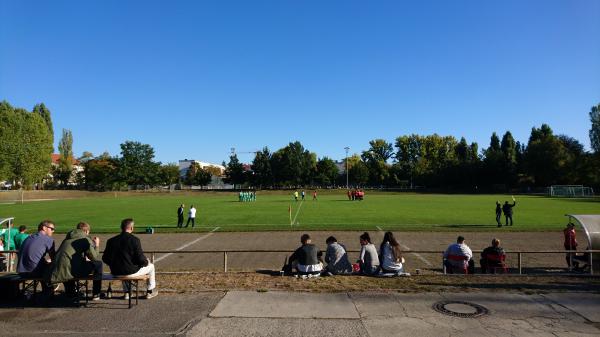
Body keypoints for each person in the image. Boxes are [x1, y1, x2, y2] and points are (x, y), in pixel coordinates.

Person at [102, 218, 158, 299]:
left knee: (124, 266)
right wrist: (146, 262)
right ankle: (150, 291)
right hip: (129, 271)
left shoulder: (111, 240)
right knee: (151, 266)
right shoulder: (134, 240)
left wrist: (113, 263)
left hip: (115, 271)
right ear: (131, 228)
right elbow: (140, 259)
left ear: (121, 227)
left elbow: (105, 258)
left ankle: (127, 293)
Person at [49, 222, 103, 300]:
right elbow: (94, 257)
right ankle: (96, 293)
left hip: (58, 269)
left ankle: (70, 292)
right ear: (86, 231)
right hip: (71, 270)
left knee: (67, 264)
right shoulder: (85, 239)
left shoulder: (67, 239)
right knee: (98, 264)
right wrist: (97, 245)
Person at [17, 220, 57, 292]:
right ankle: (48, 291)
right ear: (44, 228)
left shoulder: (28, 238)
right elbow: (54, 258)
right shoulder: (48, 240)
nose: (53, 231)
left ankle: (47, 291)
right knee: (54, 267)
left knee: (45, 265)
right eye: (51, 229)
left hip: (21, 272)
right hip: (34, 272)